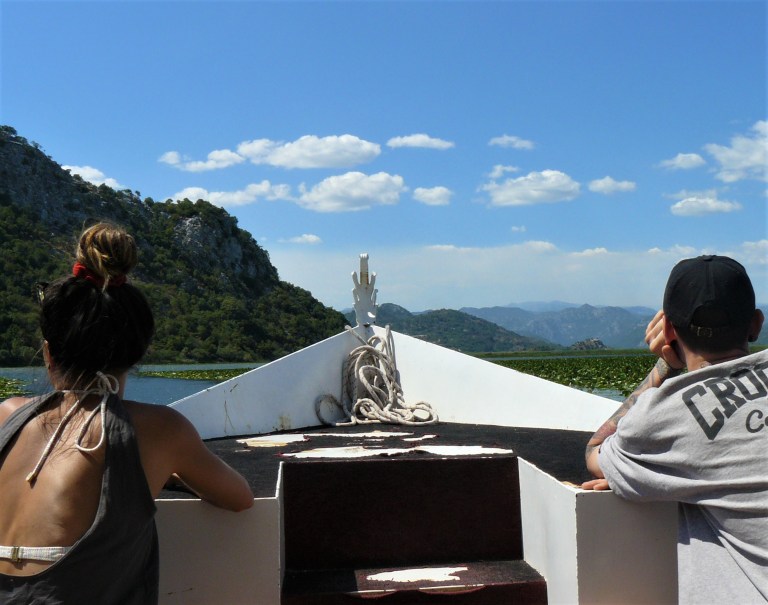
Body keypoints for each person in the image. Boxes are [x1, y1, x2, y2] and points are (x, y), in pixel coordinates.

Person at [0, 222, 254, 604]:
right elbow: (239, 497)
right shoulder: (158, 429)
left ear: (49, 354)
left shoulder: (7, 415)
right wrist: (170, 470)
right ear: (136, 354)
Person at [582, 255, 766, 603]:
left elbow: (594, 450)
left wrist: (666, 365)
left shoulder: (663, 418)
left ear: (667, 330)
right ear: (756, 323)